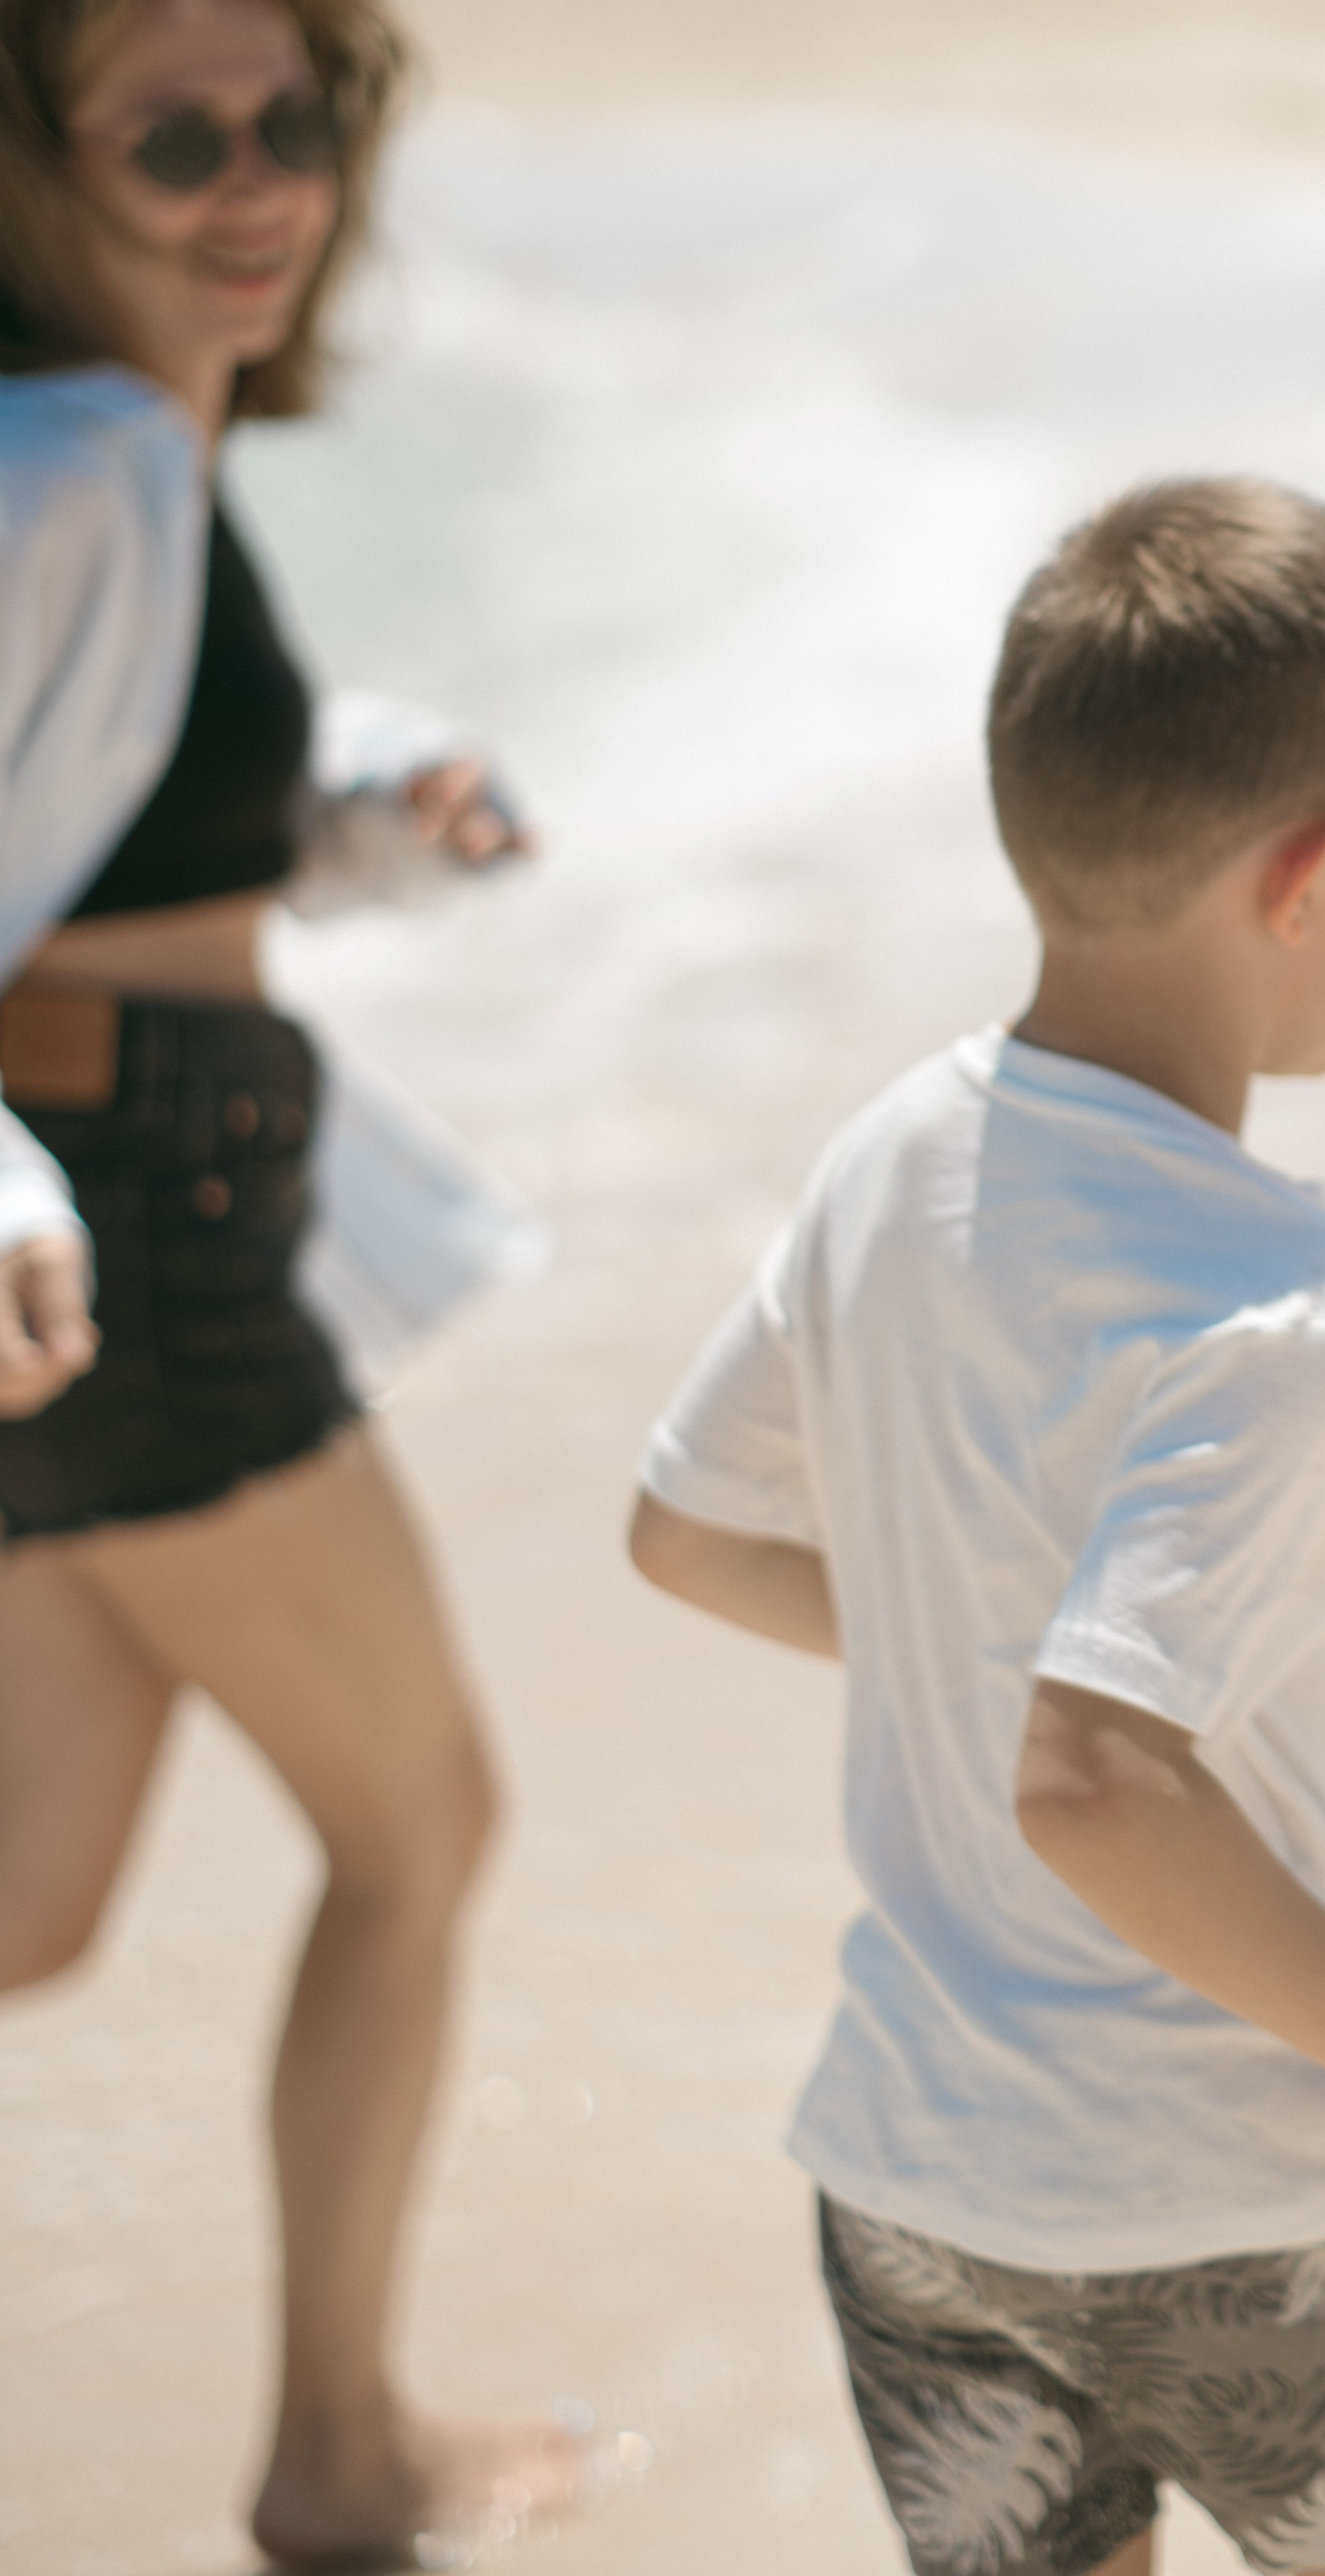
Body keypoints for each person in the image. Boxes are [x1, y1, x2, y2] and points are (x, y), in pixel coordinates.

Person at [629, 478, 1325, 2576]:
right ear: (1316, 873)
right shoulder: (1278, 1309)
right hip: (1250, 2195)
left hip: (918, 2186)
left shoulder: (894, 1153)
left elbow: (686, 1534)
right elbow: (1098, 1782)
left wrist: (970, 1635)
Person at [0, 0, 575, 2561]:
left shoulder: (119, 428)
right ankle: (341, 2458)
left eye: (297, 120)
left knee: (21, 1911)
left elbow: (105, 811)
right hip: (118, 1230)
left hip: (109, 1196)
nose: (257, 183)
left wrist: (361, 801)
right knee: (424, 1823)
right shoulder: (75, 454)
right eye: (174, 138)